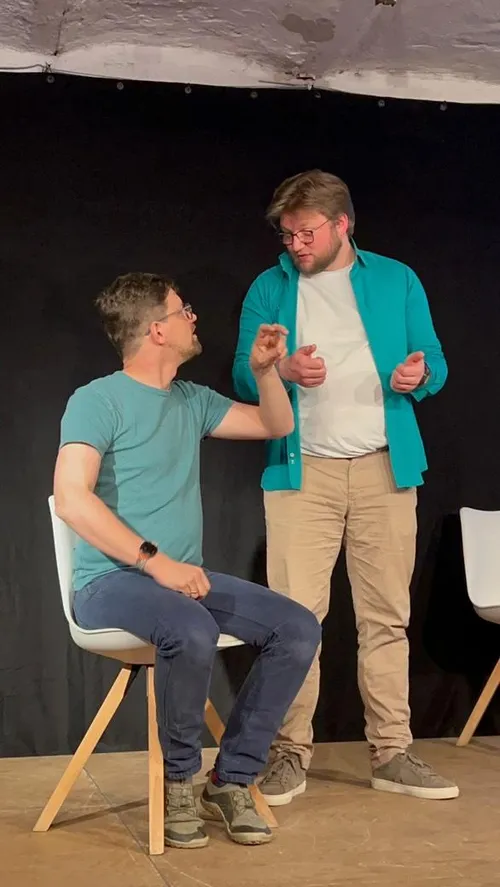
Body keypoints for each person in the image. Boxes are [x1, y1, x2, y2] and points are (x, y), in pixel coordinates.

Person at [53, 271, 321, 849]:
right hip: (110, 583)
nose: (194, 318)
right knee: (190, 626)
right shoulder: (97, 400)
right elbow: (72, 498)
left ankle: (230, 780)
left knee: (297, 628)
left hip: (180, 584)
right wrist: (156, 563)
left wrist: (266, 373)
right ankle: (178, 782)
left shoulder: (191, 400)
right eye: (184, 310)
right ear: (157, 329)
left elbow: (275, 424)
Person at [233, 170, 459, 805]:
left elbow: (435, 361)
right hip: (302, 473)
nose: (296, 245)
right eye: (287, 235)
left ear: (343, 224)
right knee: (293, 621)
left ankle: (392, 752)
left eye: (307, 233)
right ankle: (288, 754)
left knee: (387, 618)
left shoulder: (396, 278)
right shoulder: (270, 286)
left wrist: (419, 376)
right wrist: (280, 369)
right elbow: (244, 375)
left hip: (385, 469)